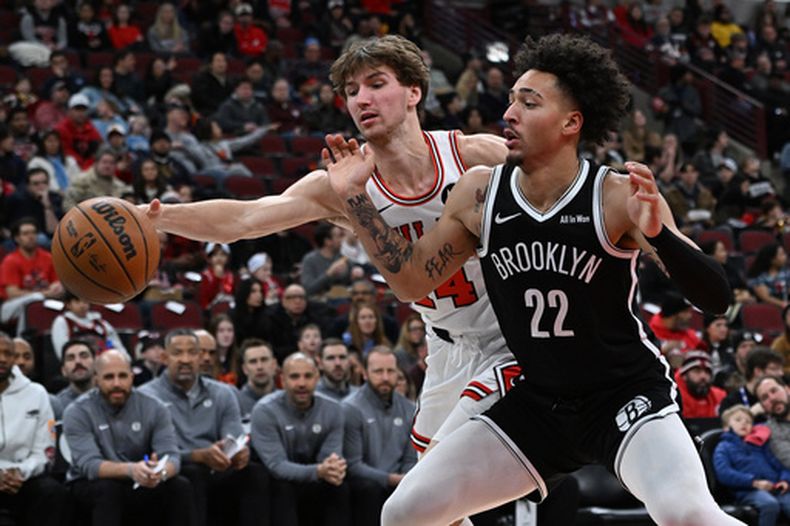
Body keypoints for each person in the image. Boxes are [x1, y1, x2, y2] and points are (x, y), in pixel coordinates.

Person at [325, 33, 738, 524]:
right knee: (404, 513)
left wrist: (661, 237)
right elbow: (413, 282)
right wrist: (356, 198)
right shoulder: (479, 194)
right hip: (538, 402)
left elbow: (717, 298)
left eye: (529, 102)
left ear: (571, 122)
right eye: (511, 100)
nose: (509, 113)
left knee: (687, 514)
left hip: (623, 393)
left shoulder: (616, 195)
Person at [142, 34, 517, 459]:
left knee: (436, 486)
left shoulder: (473, 154)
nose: (361, 99)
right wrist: (158, 216)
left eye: (376, 84)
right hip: (448, 343)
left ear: (414, 91)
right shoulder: (342, 183)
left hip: (511, 333)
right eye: (352, 91)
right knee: (430, 504)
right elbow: (243, 220)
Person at [140, 329, 269, 526]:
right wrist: (197, 455)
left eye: (192, 352)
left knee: (255, 473)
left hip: (217, 466)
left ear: (200, 357)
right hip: (175, 471)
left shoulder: (224, 393)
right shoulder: (146, 397)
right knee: (193, 474)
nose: (185, 359)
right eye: (177, 353)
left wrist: (238, 453)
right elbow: (150, 453)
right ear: (165, 357)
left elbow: (234, 437)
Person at [63, 350, 193, 526]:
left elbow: (172, 455)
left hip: (141, 478)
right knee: (109, 489)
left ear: (132, 377)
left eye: (123, 376)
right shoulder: (77, 412)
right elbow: (90, 466)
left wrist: (159, 473)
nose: (117, 383)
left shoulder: (155, 407)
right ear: (96, 379)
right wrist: (132, 470)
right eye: (109, 377)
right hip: (91, 483)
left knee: (180, 486)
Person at [250, 352, 350, 526]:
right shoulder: (264, 410)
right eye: (294, 377)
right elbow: (277, 466)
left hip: (316, 477)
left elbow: (330, 458)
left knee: (339, 486)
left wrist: (332, 468)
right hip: (278, 480)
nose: (302, 383)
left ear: (317, 378)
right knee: (281, 487)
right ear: (282, 380)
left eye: (308, 376)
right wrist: (319, 471)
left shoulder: (334, 409)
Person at [343, 347, 416, 525]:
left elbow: (410, 458)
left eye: (390, 371)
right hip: (365, 485)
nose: (385, 377)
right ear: (365, 373)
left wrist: (406, 479)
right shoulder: (350, 408)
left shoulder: (409, 408)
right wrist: (391, 479)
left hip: (399, 482)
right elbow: (353, 465)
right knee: (370, 489)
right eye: (378, 371)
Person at [0, 331, 67, 526]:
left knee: (54, 493)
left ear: (14, 358)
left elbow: (44, 451)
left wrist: (20, 472)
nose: (2, 359)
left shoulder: (36, 393)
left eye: (8, 353)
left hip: (23, 477)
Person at [713, 404, 790, 526]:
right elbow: (724, 473)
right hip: (747, 490)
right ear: (726, 427)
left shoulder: (759, 445)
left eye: (748, 421)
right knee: (770, 504)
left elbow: (778, 465)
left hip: (774, 488)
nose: (744, 423)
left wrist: (785, 480)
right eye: (738, 420)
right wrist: (754, 482)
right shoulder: (724, 447)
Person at [0, 218, 62, 332]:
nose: (31, 236)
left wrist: (57, 288)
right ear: (17, 238)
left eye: (33, 232)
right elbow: (12, 293)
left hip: (44, 300)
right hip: (10, 307)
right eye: (25, 233)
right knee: (35, 300)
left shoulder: (47, 257)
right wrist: (43, 293)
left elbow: (57, 283)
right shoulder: (10, 261)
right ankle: (23, 338)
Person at [50, 290, 129, 360]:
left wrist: (126, 360)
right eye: (77, 301)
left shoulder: (100, 322)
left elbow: (117, 345)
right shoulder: (62, 322)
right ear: (68, 304)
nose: (82, 305)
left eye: (85, 301)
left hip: (103, 363)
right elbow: (61, 351)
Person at [720, 349, 785, 417]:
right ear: (758, 371)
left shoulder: (782, 394)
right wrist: (750, 414)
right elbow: (727, 426)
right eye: (774, 369)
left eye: (774, 391)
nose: (781, 373)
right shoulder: (731, 402)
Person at [675, 350, 726, 419]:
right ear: (684, 376)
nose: (703, 376)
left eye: (707, 372)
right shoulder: (674, 398)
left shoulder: (720, 397)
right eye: (697, 371)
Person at [237, 339, 278, 420]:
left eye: (264, 360)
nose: (259, 367)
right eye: (253, 361)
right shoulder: (234, 404)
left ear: (274, 365)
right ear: (244, 369)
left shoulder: (288, 402)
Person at [756, 376, 790, 468]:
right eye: (765, 397)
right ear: (763, 407)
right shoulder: (771, 431)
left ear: (787, 389)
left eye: (774, 391)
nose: (772, 398)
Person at [57, 339, 96, 414]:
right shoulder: (57, 405)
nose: (78, 362)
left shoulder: (109, 398)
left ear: (96, 364)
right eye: (71, 358)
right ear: (63, 370)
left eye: (84, 356)